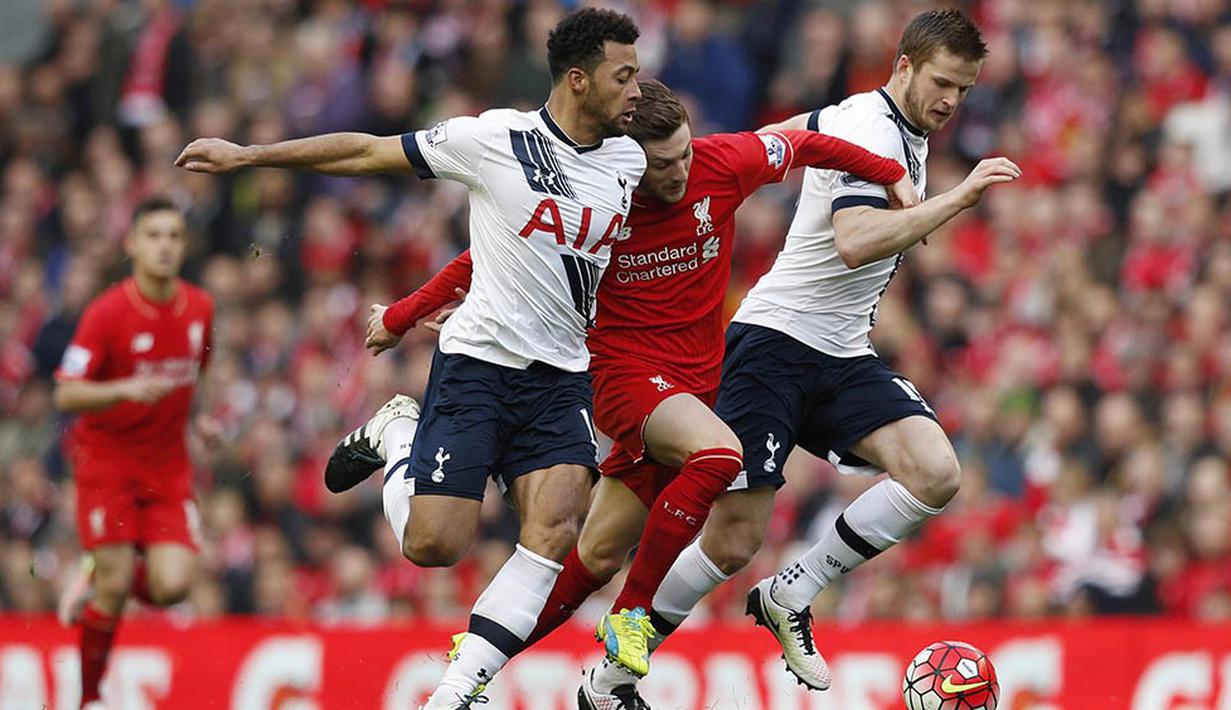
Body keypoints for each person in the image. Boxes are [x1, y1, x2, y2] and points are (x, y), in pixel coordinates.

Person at [336, 79, 914, 708]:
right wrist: (402, 316)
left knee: (595, 556)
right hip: (624, 377)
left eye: (684, 154)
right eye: (663, 164)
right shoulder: (600, 193)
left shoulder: (723, 162)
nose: (680, 172)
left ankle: (472, 676)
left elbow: (807, 145)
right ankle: (632, 617)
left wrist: (891, 174)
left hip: (692, 389)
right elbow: (484, 259)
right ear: (631, 159)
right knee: (719, 456)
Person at [176, 9, 645, 709]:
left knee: (555, 532)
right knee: (433, 546)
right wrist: (250, 155)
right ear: (578, 80)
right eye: (623, 75)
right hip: (479, 367)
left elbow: (710, 165)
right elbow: (367, 152)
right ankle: (396, 430)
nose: (636, 89)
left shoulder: (630, 161)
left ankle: (456, 692)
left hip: (562, 377)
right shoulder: (494, 139)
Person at [612, 8, 1021, 694]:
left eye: (964, 89)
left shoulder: (870, 119)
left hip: (839, 352)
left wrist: (728, 162)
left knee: (934, 472)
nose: (951, 100)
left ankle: (789, 593)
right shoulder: (872, 128)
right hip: (773, 345)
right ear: (904, 67)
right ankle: (613, 673)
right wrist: (957, 199)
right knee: (732, 541)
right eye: (942, 82)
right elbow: (854, 240)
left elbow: (785, 135)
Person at [54, 196, 216, 710]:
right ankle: (90, 698)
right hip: (108, 461)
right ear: (132, 244)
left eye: (174, 236)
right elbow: (66, 393)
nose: (165, 246)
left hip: (168, 465)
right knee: (115, 585)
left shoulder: (201, 308)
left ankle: (99, 571)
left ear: (184, 246)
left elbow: (196, 375)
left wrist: (202, 420)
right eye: (154, 235)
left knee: (173, 587)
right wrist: (122, 389)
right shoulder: (106, 313)